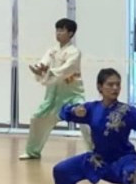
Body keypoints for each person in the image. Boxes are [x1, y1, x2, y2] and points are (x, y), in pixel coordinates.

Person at [21, 18, 93, 160]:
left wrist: (49, 72)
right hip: (53, 97)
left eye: (62, 30)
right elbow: (44, 62)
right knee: (37, 119)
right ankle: (32, 151)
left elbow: (67, 69)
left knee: (86, 120)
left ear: (70, 33)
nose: (58, 33)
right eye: (57, 30)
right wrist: (40, 68)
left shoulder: (74, 52)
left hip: (73, 95)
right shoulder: (52, 51)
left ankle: (95, 152)